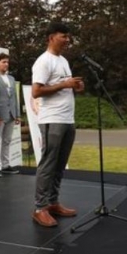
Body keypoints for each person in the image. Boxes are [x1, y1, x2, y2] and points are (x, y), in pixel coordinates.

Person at [31, 22, 84, 227]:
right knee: (48, 164)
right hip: (52, 119)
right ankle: (39, 208)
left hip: (67, 119)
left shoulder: (63, 60)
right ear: (51, 37)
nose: (67, 40)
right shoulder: (43, 61)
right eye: (64, 36)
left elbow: (64, 86)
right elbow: (36, 91)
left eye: (68, 36)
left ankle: (53, 202)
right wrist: (64, 84)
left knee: (60, 164)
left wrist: (75, 86)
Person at [0, 53, 21, 178]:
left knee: (7, 141)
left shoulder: (11, 78)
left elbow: (14, 98)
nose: (6, 64)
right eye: (3, 62)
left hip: (11, 115)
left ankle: (5, 165)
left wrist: (17, 114)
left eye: (7, 62)